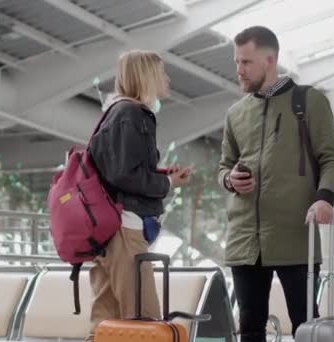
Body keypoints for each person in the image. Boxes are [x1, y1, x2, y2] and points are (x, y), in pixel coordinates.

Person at [218, 26, 334, 341]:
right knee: (248, 326)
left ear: (270, 60)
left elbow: (333, 159)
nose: (239, 70)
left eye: (246, 62)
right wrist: (229, 179)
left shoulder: (309, 101)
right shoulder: (236, 113)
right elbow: (223, 166)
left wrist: (324, 199)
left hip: (296, 237)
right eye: (237, 62)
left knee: (307, 326)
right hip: (244, 240)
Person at [86, 50, 193, 342]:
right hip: (125, 230)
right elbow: (125, 175)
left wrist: (161, 176)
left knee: (105, 323)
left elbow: (119, 171)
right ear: (147, 77)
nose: (167, 79)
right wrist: (167, 184)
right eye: (162, 73)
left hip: (106, 231)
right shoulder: (132, 113)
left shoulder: (114, 112)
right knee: (143, 321)